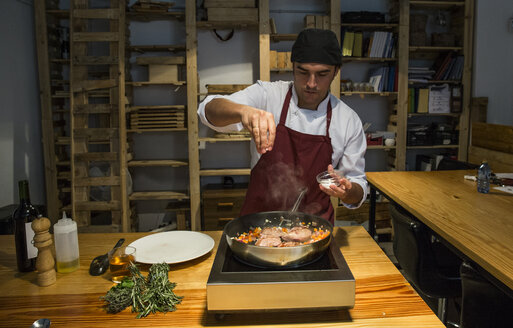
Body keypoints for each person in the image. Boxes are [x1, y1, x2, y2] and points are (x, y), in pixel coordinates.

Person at [197, 28, 367, 224]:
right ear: (292, 66)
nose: (311, 83)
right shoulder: (269, 95)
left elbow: (358, 187)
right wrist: (243, 112)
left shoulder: (347, 120)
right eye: (303, 72)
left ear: (336, 72)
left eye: (322, 74)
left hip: (313, 231)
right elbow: (207, 109)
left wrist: (347, 191)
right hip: (259, 225)